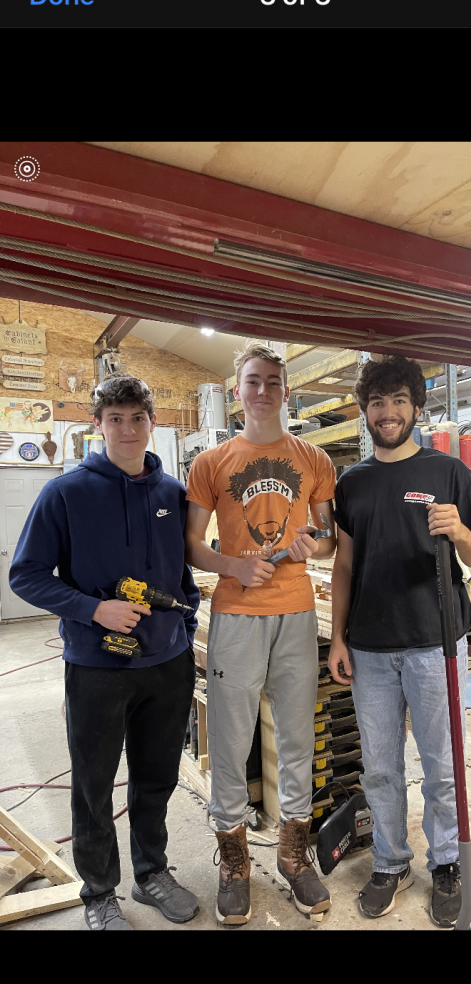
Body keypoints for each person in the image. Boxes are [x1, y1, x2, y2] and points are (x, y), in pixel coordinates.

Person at [9, 375, 200, 931]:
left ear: (152, 424)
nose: (127, 429)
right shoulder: (65, 493)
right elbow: (26, 575)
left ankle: (151, 872)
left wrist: (185, 621)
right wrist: (94, 610)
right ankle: (98, 892)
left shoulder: (172, 494)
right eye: (115, 419)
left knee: (157, 777)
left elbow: (182, 572)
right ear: (97, 425)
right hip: (98, 664)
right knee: (93, 783)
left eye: (137, 418)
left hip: (167, 662)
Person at [328, 355, 471, 927]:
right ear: (365, 411)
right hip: (370, 649)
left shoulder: (449, 472)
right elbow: (343, 566)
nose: (388, 412)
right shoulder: (351, 482)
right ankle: (390, 861)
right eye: (377, 402)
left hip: (434, 643)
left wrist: (459, 531)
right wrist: (338, 639)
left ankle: (446, 861)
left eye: (399, 400)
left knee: (442, 765)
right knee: (379, 768)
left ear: (417, 407)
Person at [184, 340, 337, 926]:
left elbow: (328, 537)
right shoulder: (211, 463)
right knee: (229, 741)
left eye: (273, 381)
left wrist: (310, 546)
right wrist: (234, 565)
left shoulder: (314, 459)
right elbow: (191, 544)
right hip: (236, 616)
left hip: (296, 614)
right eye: (253, 380)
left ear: (286, 391)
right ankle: (234, 863)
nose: (264, 390)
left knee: (298, 739)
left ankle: (294, 855)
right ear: (237, 390)